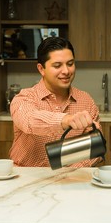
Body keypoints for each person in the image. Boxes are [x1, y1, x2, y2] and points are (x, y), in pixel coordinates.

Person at [9, 37, 102, 167]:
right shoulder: (24, 98)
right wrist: (66, 120)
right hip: (27, 179)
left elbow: (94, 149)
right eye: (57, 65)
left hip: (70, 180)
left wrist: (69, 172)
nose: (66, 71)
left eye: (70, 64)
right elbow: (28, 120)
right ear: (41, 69)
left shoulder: (86, 101)